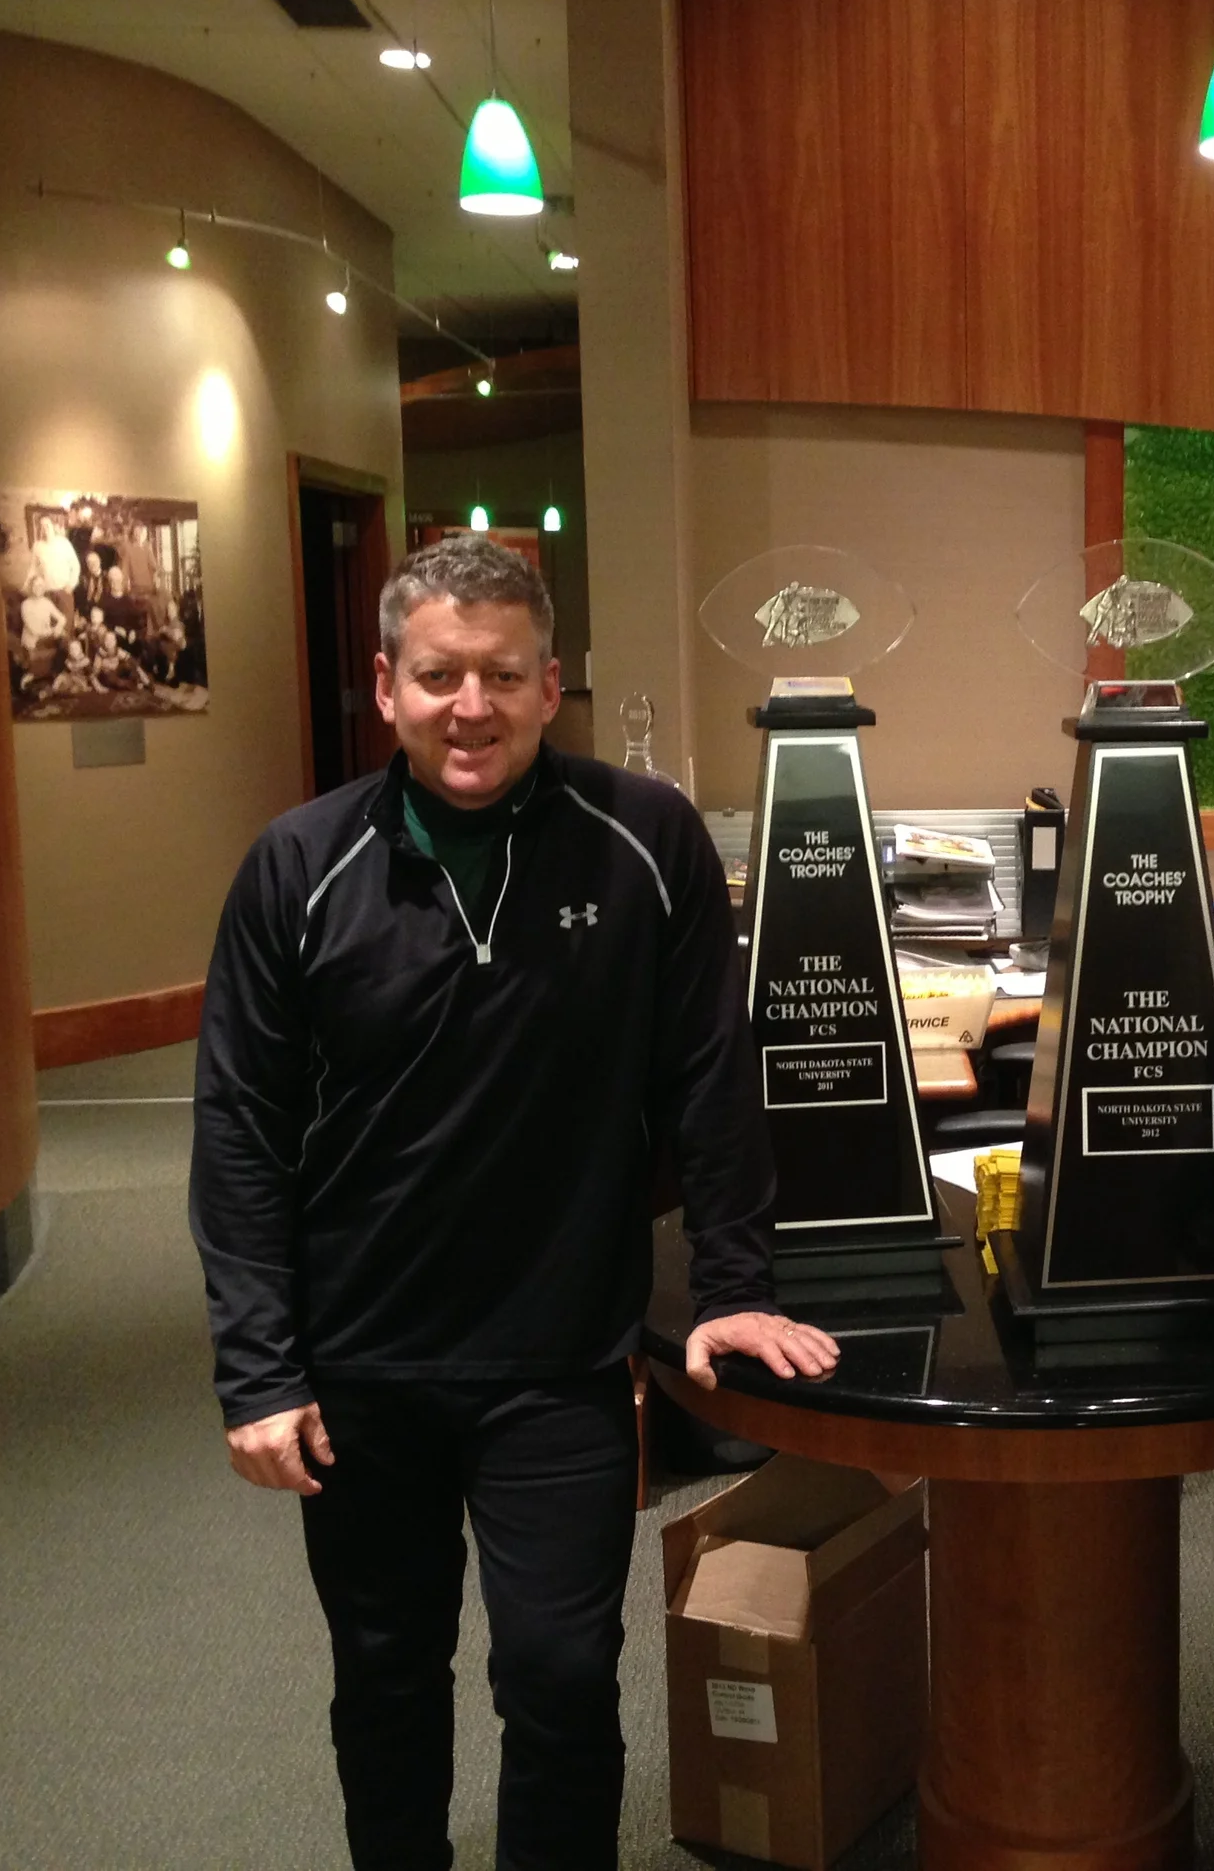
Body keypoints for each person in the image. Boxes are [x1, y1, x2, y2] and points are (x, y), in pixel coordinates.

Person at [190, 533, 838, 1871]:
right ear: (387, 686)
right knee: (385, 1677)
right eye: (438, 675)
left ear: (554, 686)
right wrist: (258, 1367)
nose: (468, 705)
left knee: (557, 1679)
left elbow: (713, 1082)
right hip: (361, 1366)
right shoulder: (296, 868)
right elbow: (241, 1132)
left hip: (560, 1363)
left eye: (502, 674)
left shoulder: (641, 839)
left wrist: (736, 1285)